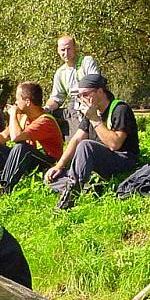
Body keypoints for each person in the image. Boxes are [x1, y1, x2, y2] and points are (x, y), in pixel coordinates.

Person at [44, 73, 139, 210]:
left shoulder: (120, 109)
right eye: (79, 96)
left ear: (100, 91)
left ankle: (70, 196)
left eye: (85, 94)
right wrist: (59, 166)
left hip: (123, 159)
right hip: (101, 164)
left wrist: (95, 119)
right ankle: (88, 189)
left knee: (86, 145)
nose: (82, 99)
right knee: (52, 178)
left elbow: (115, 144)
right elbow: (76, 139)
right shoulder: (91, 112)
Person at [45, 35, 100, 139]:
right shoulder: (60, 73)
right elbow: (56, 99)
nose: (65, 53)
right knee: (49, 117)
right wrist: (46, 109)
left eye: (68, 49)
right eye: (62, 50)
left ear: (75, 48)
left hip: (91, 105)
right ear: (58, 50)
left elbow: (95, 83)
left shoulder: (87, 61)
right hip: (74, 109)